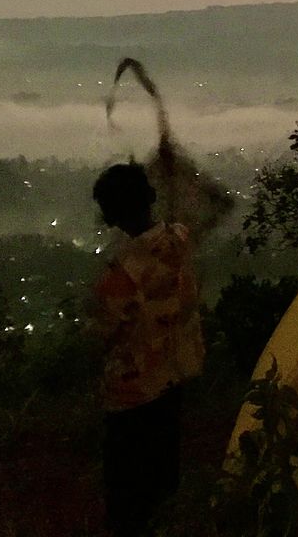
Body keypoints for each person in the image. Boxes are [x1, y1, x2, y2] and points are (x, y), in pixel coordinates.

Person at [91, 142, 212, 536]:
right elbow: (188, 217)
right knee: (163, 475)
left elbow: (103, 335)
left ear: (112, 213)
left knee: (127, 494)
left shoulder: (121, 274)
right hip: (175, 375)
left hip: (133, 392)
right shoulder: (178, 240)